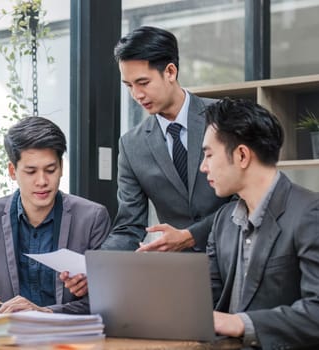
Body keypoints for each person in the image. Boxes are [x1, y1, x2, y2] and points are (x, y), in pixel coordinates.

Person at [61, 26, 229, 296]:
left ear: (170, 72)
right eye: (128, 86)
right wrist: (94, 265)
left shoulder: (223, 116)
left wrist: (190, 235)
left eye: (143, 83)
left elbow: (245, 200)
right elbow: (129, 226)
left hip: (237, 265)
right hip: (181, 279)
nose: (136, 95)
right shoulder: (132, 145)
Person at [0, 116, 111, 315]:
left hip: (70, 339)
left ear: (61, 168)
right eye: (30, 171)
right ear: (13, 171)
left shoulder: (93, 218)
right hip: (10, 339)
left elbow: (106, 299)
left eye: (50, 170)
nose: (42, 181)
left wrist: (45, 312)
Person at [201, 98, 319, 349]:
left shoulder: (314, 213)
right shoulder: (223, 221)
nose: (203, 167)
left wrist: (241, 323)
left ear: (242, 155)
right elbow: (204, 301)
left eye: (209, 155)